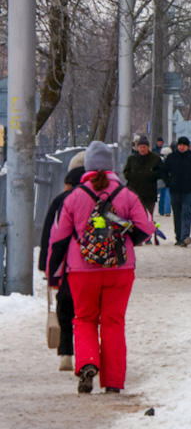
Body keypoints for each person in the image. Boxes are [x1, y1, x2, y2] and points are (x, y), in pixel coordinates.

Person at [51, 141, 155, 393]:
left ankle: (87, 363)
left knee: (84, 319)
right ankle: (113, 382)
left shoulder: (74, 196)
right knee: (113, 322)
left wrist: (54, 274)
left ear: (87, 167)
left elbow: (58, 238)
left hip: (81, 270)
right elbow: (146, 228)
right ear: (111, 168)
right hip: (120, 269)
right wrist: (127, 238)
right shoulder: (126, 194)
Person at [38, 153, 86, 372]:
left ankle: (66, 354)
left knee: (65, 307)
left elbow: (50, 236)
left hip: (67, 266)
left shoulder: (61, 200)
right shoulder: (102, 198)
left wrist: (46, 267)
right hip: (96, 264)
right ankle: (91, 354)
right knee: (89, 312)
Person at [160, 137, 191, 246]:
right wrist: (168, 182)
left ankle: (185, 236)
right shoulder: (172, 157)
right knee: (177, 214)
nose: (181, 147)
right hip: (175, 190)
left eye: (184, 145)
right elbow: (164, 171)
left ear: (187, 146)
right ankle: (179, 237)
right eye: (180, 145)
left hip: (189, 190)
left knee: (186, 213)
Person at [123, 136, 163, 239]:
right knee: (136, 216)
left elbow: (161, 171)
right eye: (140, 147)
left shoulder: (154, 158)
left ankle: (148, 235)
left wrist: (150, 175)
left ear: (148, 147)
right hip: (135, 192)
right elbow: (126, 172)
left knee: (148, 215)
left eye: (144, 147)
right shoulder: (132, 159)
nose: (142, 149)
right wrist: (132, 176)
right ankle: (137, 235)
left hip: (149, 192)